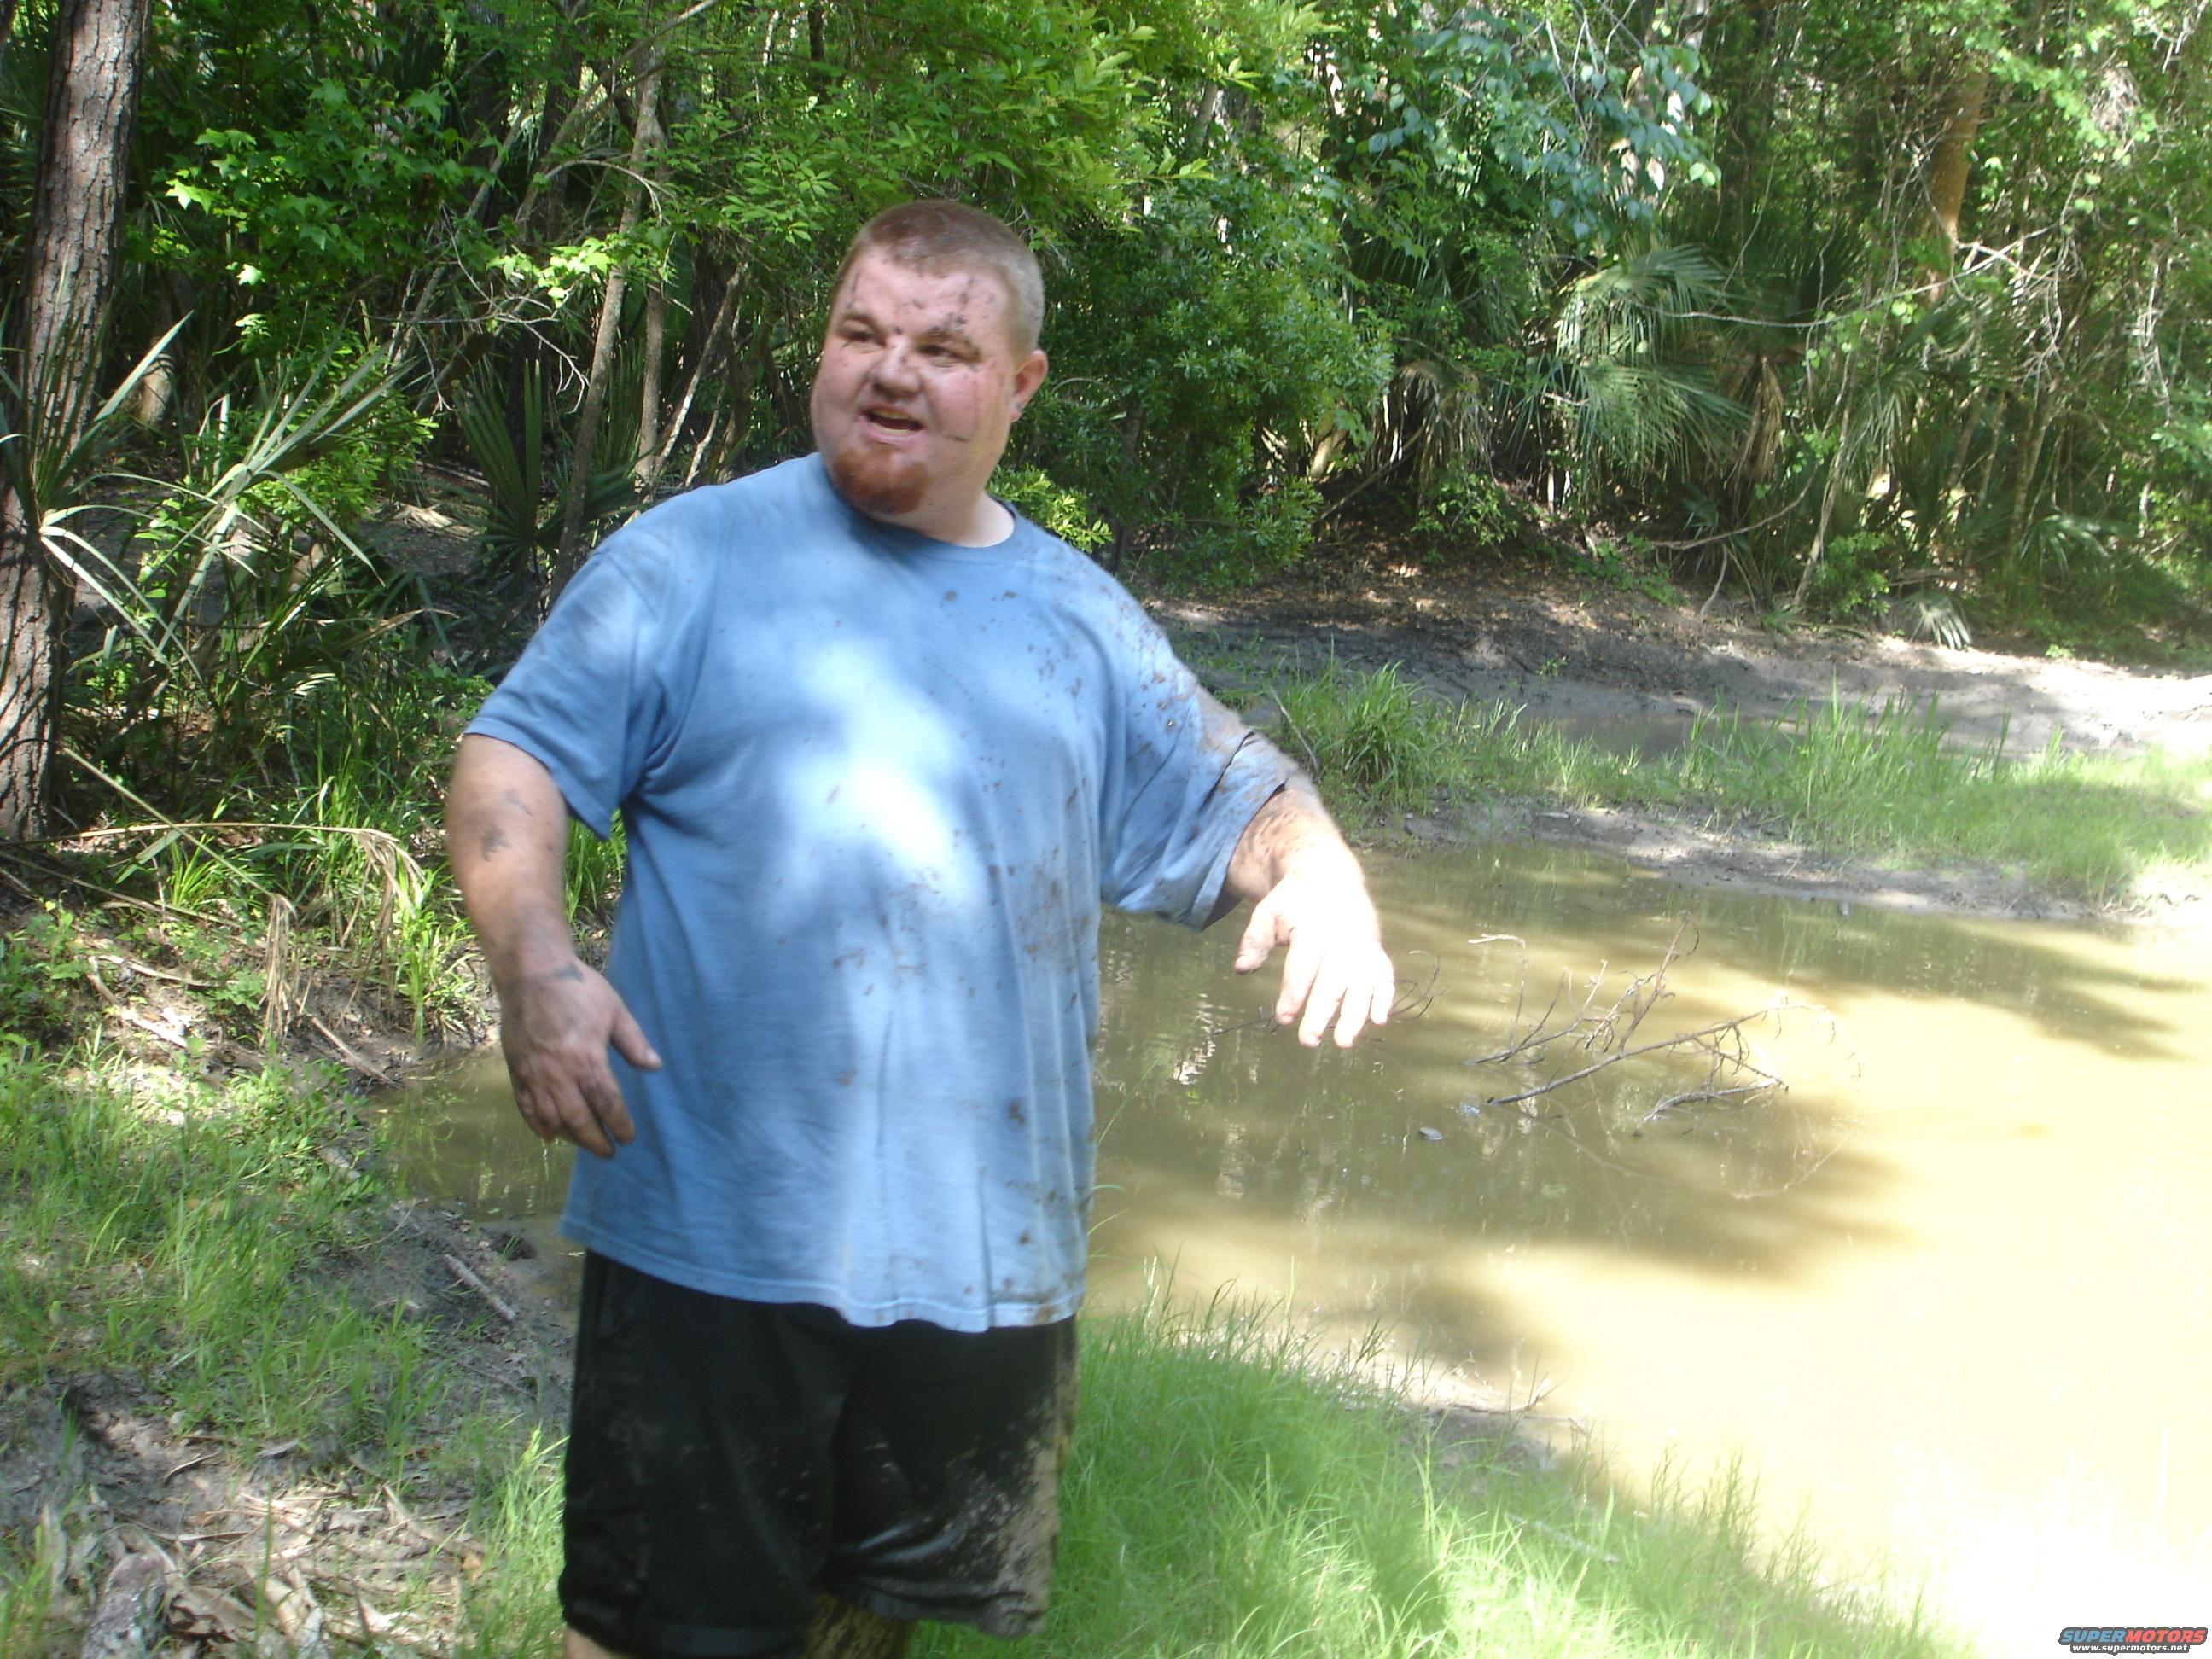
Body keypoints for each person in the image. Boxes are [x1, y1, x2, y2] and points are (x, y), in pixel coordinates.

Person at [445, 201, 1394, 1659]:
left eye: (943, 349)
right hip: (716, 1244)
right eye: (862, 334)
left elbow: (1240, 794)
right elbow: (513, 758)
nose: (891, 371)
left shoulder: (1081, 623)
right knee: (657, 1631)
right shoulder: (689, 561)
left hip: (984, 1260)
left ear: (1019, 386)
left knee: (868, 1631)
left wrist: (1319, 869)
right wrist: (536, 967)